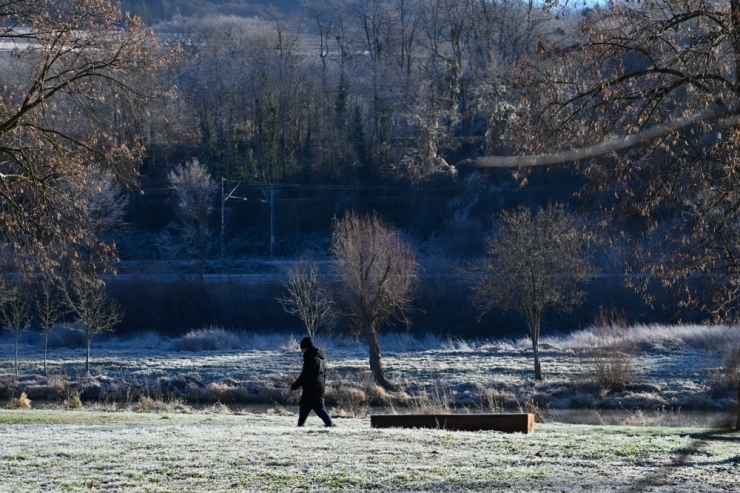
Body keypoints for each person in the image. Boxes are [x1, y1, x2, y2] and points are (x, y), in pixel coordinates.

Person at [289, 336, 334, 427]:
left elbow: (305, 375)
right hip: (318, 386)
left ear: (306, 347)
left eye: (302, 349)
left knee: (318, 408)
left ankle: (330, 425)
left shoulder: (311, 358)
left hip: (311, 388)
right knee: (305, 407)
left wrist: (293, 387)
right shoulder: (321, 358)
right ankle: (300, 426)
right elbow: (324, 374)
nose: (302, 351)